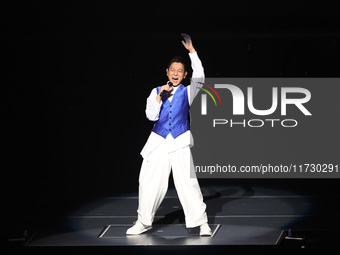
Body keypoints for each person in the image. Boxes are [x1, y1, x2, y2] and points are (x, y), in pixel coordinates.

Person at [126, 33, 211, 236]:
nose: (175, 73)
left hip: (179, 141)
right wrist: (158, 97)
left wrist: (192, 51)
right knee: (148, 181)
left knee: (187, 183)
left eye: (179, 71)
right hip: (159, 142)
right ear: (167, 72)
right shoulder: (156, 91)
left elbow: (200, 76)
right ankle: (143, 221)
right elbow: (150, 116)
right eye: (172, 70)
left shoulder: (188, 91)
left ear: (184, 75)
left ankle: (201, 222)